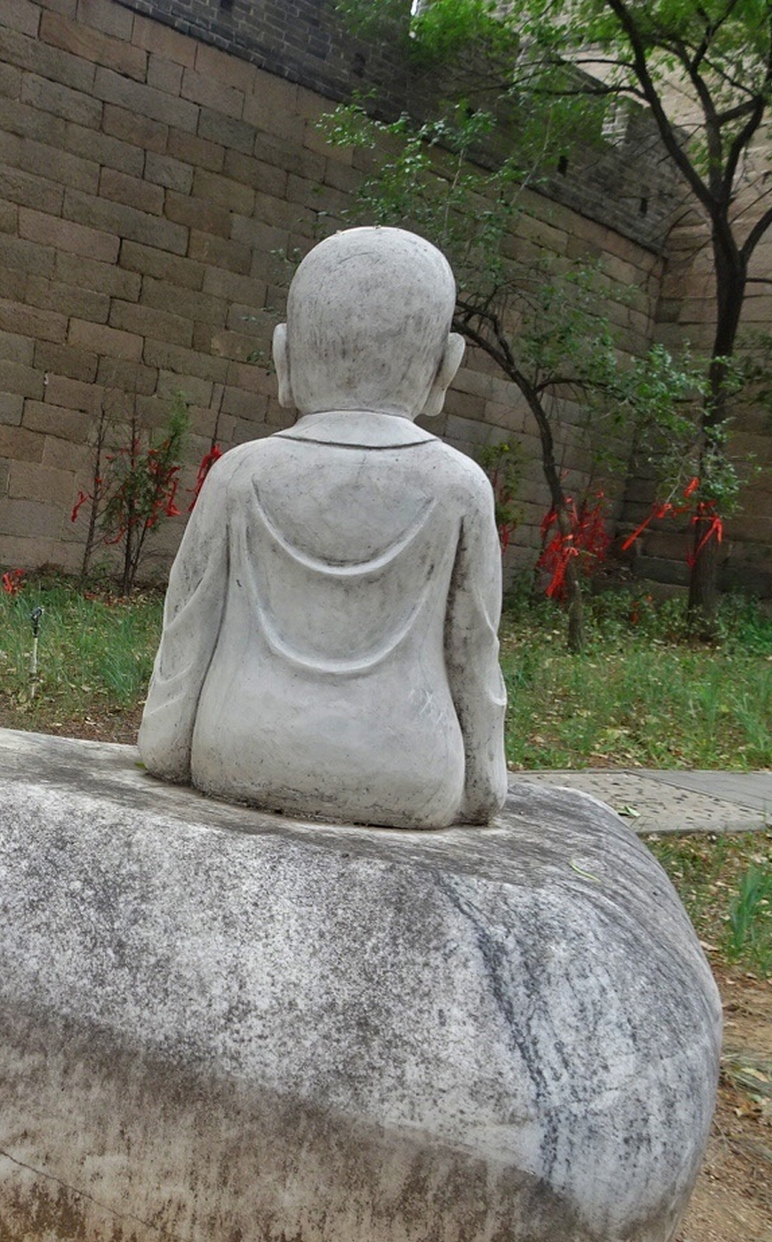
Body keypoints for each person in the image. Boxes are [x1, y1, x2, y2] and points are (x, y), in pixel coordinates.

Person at [137, 227, 506, 828]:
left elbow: (187, 630)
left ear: (284, 356)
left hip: (239, 747)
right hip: (406, 768)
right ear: (446, 366)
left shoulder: (241, 473)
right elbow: (474, 651)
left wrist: (165, 746)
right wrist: (484, 785)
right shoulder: (460, 487)